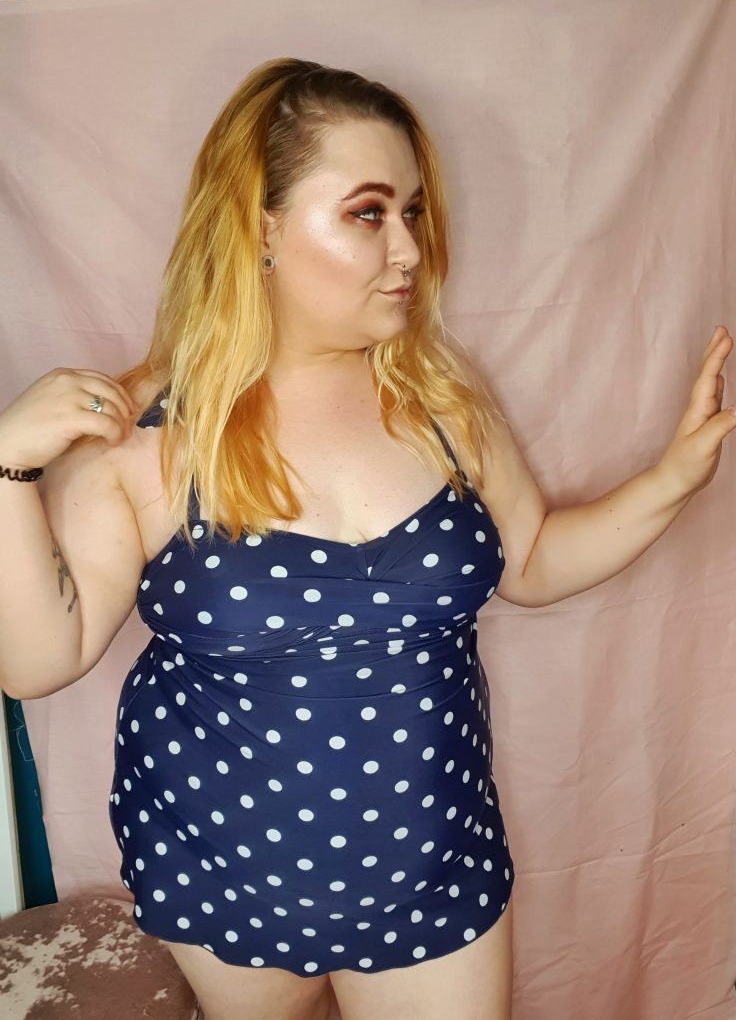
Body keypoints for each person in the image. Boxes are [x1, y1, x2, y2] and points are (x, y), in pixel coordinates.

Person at [0, 57, 733, 1020]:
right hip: (226, 868)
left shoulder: (440, 400)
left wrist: (673, 480)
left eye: (414, 213)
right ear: (260, 226)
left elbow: (533, 560)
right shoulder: (151, 438)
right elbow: (37, 662)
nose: (409, 250)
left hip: (433, 866)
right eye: (368, 213)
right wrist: (6, 471)